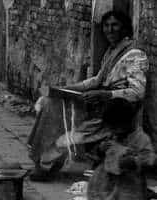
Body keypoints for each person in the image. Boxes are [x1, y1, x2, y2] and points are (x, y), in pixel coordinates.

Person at [27, 10, 148, 181]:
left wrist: (106, 95)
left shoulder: (135, 54)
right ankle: (43, 158)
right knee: (50, 101)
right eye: (106, 26)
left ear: (124, 28)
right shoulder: (111, 51)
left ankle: (47, 162)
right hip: (98, 103)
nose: (110, 30)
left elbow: (137, 92)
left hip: (115, 110)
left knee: (58, 112)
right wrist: (67, 88)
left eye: (115, 25)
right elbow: (97, 80)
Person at [87, 98, 155, 199]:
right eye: (111, 128)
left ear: (131, 121)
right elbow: (99, 156)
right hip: (107, 180)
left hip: (129, 183)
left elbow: (149, 159)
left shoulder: (141, 138)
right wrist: (101, 149)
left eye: (115, 128)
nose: (113, 131)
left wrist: (134, 161)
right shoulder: (113, 134)